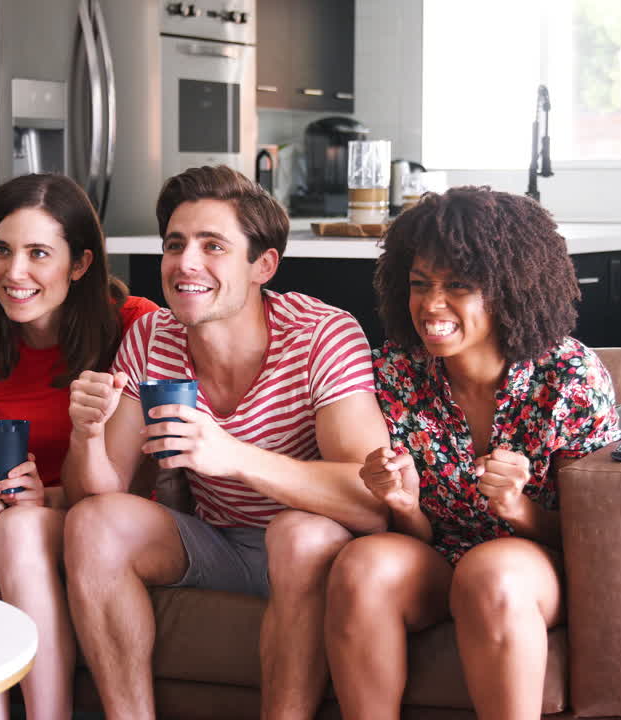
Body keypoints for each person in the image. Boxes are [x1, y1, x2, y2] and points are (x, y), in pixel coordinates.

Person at [62, 165, 390, 720]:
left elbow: (371, 499)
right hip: (217, 541)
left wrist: (233, 457)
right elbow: (99, 493)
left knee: (298, 535)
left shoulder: (321, 334)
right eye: (175, 245)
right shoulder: (151, 336)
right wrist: (86, 436)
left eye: (213, 246)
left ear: (263, 265)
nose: (186, 263)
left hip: (309, 546)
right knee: (93, 523)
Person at [323, 187, 621, 720]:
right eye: (420, 284)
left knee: (489, 572)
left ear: (509, 289)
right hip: (438, 561)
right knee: (362, 564)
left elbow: (595, 537)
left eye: (458, 285)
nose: (430, 305)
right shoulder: (394, 371)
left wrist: (517, 509)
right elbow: (419, 536)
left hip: (531, 569)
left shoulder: (569, 377)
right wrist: (404, 505)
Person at [0, 173, 157, 720]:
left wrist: (49, 497)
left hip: (107, 515)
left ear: (79, 264)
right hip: (26, 506)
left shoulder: (135, 326)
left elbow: (139, 482)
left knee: (20, 527)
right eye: (2, 250)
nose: (14, 272)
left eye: (38, 253)